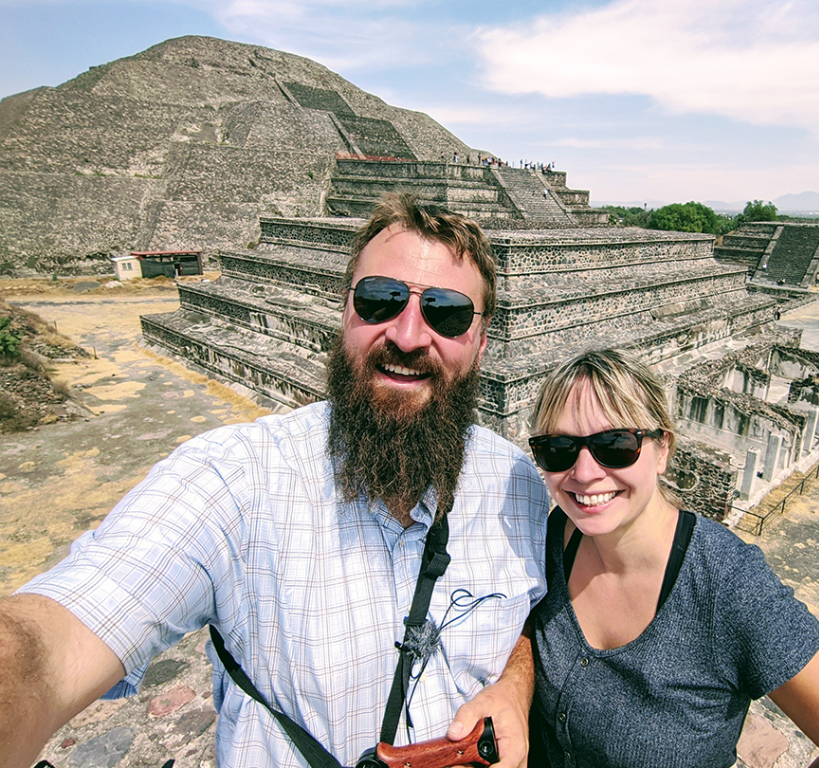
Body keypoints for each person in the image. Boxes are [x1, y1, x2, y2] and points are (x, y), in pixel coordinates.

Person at [0, 194, 548, 768]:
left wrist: (515, 683)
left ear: (481, 340)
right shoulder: (236, 480)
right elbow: (48, 646)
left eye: (448, 312)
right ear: (346, 312)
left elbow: (533, 614)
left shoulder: (515, 485)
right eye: (380, 299)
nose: (408, 335)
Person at [526, 348, 819, 768]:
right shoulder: (556, 536)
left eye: (616, 444)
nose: (584, 473)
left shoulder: (728, 585)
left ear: (662, 450)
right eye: (558, 448)